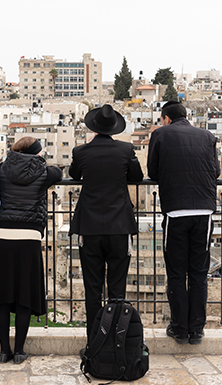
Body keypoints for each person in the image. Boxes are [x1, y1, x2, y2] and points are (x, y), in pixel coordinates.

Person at [147, 101, 220, 345]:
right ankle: (196, 330)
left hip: (176, 211)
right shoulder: (207, 135)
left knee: (177, 273)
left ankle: (179, 328)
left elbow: (153, 171)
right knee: (199, 273)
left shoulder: (160, 135)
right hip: (204, 211)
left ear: (166, 118)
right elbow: (216, 171)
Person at [69, 104, 143, 338]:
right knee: (117, 289)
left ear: (93, 128)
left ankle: (94, 341)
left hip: (89, 227)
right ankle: (115, 340)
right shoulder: (125, 150)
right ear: (114, 129)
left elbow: (73, 175)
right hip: (119, 227)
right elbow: (137, 177)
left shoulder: (81, 152)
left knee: (92, 289)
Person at [0, 137, 63, 364]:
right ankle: (19, 350)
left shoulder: (0, 170)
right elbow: (58, 172)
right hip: (28, 237)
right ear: (37, 153)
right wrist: (40, 161)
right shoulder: (44, 172)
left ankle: (4, 350)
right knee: (24, 296)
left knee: (1, 297)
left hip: (1, 236)